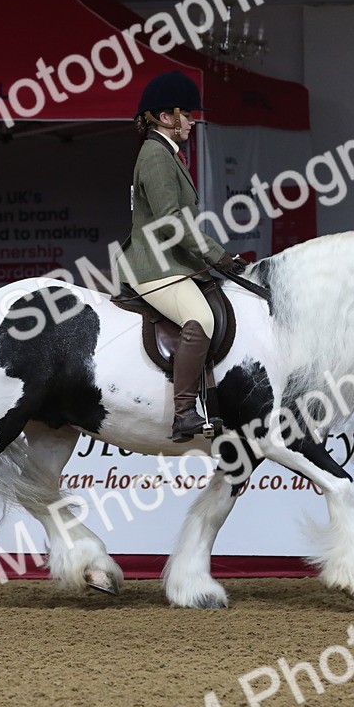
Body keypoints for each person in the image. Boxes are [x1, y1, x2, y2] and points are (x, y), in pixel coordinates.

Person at [116, 71, 246, 442]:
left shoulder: (167, 154)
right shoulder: (156, 156)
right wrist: (217, 255)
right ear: (166, 117)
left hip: (173, 261)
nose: (192, 120)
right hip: (154, 264)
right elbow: (171, 221)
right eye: (186, 114)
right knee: (200, 319)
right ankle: (184, 413)